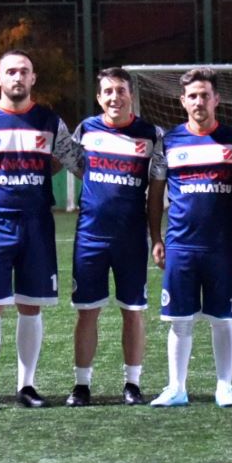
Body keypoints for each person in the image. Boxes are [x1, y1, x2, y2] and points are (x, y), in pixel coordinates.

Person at [0, 49, 78, 411]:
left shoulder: (49, 121)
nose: (17, 77)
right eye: (10, 71)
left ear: (33, 78)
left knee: (30, 306)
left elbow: (72, 160)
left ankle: (27, 386)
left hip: (36, 223)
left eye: (24, 71)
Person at [66, 68, 165, 406]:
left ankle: (132, 384)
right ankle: (81, 385)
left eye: (120, 90)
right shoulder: (86, 130)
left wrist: (156, 237)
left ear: (131, 95)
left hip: (131, 237)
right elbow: (78, 167)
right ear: (99, 98)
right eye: (108, 91)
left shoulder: (152, 135)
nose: (114, 97)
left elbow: (155, 192)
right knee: (87, 311)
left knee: (133, 310)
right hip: (90, 236)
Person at [149, 68, 232, 407]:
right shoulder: (169, 141)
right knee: (179, 321)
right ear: (182, 101)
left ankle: (224, 387)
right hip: (181, 245)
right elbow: (155, 194)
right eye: (193, 96)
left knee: (222, 319)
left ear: (216, 99)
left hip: (222, 246)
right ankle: (176, 387)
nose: (199, 101)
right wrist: (156, 238)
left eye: (205, 95)